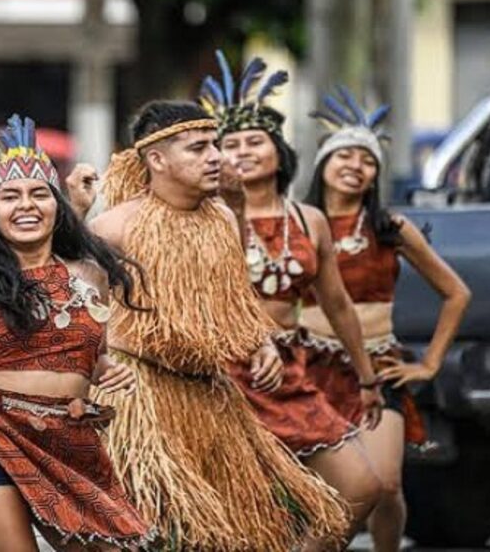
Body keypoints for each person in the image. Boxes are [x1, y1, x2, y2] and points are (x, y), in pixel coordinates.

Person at [68, 100, 349, 551]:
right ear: (157, 159)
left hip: (209, 395)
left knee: (231, 535)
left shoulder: (221, 217)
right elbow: (74, 313)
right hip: (136, 399)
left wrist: (261, 344)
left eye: (215, 146)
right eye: (199, 148)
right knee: (140, 534)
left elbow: (235, 298)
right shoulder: (114, 228)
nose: (217, 157)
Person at [0, 115, 150, 551]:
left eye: (39, 194)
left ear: (57, 206)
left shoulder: (91, 274)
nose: (26, 205)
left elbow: (89, 351)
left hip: (70, 442)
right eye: (9, 196)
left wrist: (107, 368)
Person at [203, 51, 385, 536]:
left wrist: (367, 378)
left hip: (289, 371)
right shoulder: (202, 219)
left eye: (254, 141)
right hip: (224, 374)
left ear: (278, 151)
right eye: (230, 144)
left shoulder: (309, 220)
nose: (241, 152)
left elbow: (338, 305)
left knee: (363, 486)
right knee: (249, 507)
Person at [302, 88, 471, 552]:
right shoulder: (296, 224)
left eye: (367, 160)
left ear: (377, 174)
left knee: (386, 485)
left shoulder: (389, 228)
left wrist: (429, 364)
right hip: (308, 371)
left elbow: (456, 292)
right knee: (328, 490)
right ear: (323, 164)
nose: (355, 165)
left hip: (377, 370)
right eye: (344, 156)